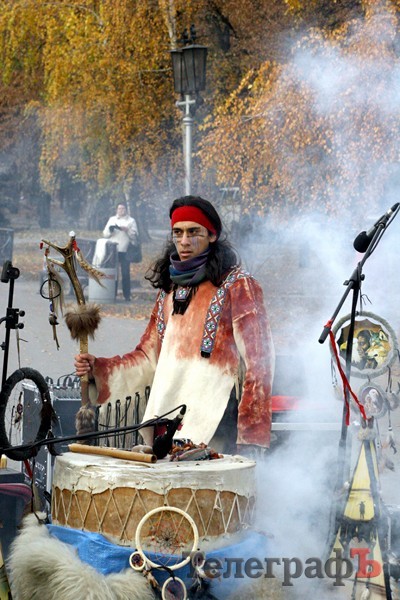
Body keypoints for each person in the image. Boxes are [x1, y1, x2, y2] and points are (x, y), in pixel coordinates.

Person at [75, 196, 275, 455]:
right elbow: (148, 357)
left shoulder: (238, 285)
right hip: (166, 425)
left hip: (215, 426)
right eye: (178, 233)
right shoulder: (169, 290)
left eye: (194, 232)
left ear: (212, 235)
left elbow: (260, 363)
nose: (184, 241)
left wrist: (250, 436)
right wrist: (99, 369)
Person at [103, 201, 138, 302]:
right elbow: (105, 234)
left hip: (125, 250)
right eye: (119, 209)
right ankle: (112, 294)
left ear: (126, 210)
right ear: (116, 210)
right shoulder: (112, 219)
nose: (121, 210)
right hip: (113, 250)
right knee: (113, 273)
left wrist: (127, 230)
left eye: (123, 209)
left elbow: (135, 236)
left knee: (125, 273)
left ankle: (127, 295)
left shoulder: (131, 221)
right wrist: (111, 230)